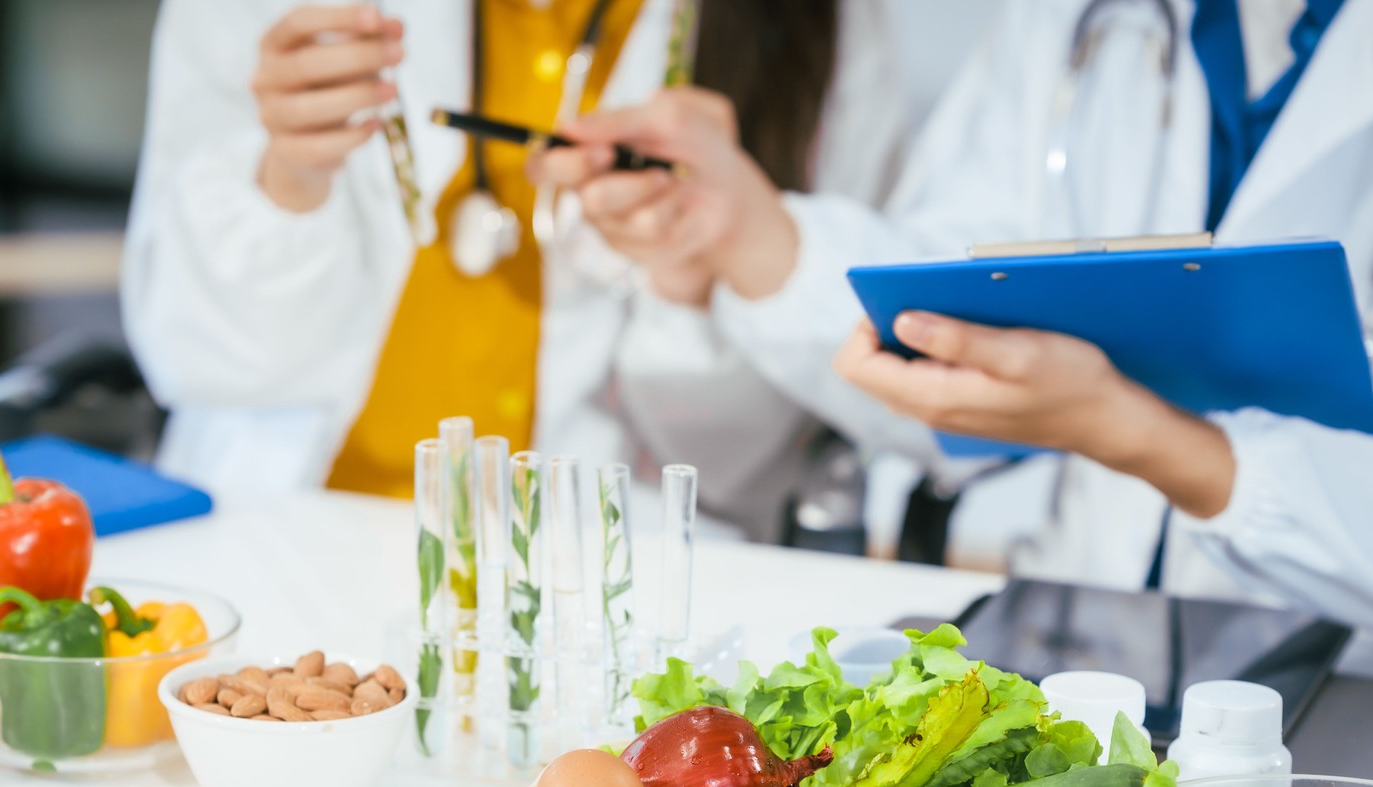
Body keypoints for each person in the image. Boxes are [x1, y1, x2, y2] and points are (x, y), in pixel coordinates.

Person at [537, 0, 1373, 664]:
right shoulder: (1073, 22)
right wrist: (743, 227)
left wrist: (1143, 435)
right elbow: (956, 347)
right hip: (1091, 663)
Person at [121, 0, 903, 540]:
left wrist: (694, 267)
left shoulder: (809, 30)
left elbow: (743, 462)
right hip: (294, 536)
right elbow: (193, 358)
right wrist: (288, 180)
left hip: (602, 586)